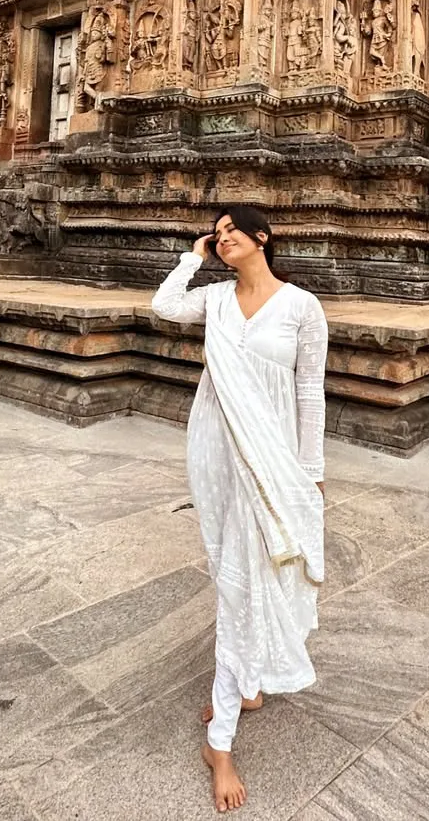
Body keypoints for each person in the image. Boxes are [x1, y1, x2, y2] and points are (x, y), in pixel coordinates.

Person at [151, 205, 329, 813]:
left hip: (274, 457)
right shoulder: (216, 299)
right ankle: (238, 698)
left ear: (263, 238)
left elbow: (310, 392)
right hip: (217, 450)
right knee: (234, 576)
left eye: (233, 232)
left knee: (253, 578)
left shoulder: (302, 307)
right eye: (218, 233)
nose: (224, 240)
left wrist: (313, 472)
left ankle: (222, 733)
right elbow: (164, 306)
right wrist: (192, 258)